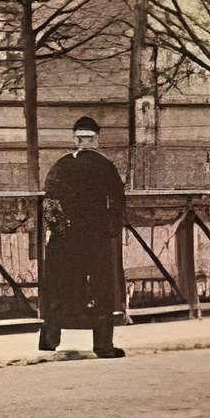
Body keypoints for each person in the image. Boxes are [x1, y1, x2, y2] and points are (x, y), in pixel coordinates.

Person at [37, 115, 129, 359]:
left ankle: (49, 341)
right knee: (101, 289)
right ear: (96, 140)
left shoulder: (61, 165)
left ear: (74, 139)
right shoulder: (105, 166)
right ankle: (103, 345)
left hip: (65, 239)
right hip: (95, 239)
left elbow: (48, 202)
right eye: (87, 139)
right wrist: (109, 230)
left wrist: (58, 232)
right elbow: (118, 203)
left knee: (60, 287)